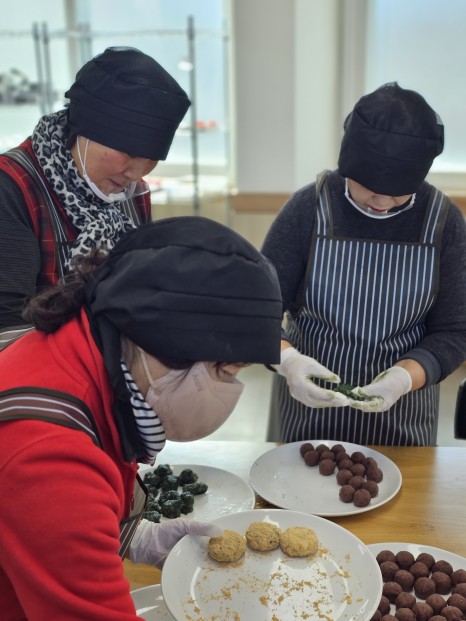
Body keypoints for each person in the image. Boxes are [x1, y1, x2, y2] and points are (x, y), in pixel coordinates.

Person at [0, 215, 282, 620]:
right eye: (228, 371)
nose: (233, 390)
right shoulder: (49, 457)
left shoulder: (92, 357)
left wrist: (131, 535)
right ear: (165, 347)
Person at [262, 82, 466, 446]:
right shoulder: (308, 209)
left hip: (403, 417)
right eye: (368, 185)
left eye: (399, 191)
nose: (381, 202)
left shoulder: (443, 222)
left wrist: (403, 378)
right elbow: (257, 312)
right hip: (306, 413)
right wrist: (289, 363)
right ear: (347, 163)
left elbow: (455, 330)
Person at [0, 45, 190, 342]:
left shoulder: (132, 193)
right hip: (36, 379)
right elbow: (6, 326)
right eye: (127, 153)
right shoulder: (14, 187)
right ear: (85, 129)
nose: (135, 174)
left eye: (151, 160)